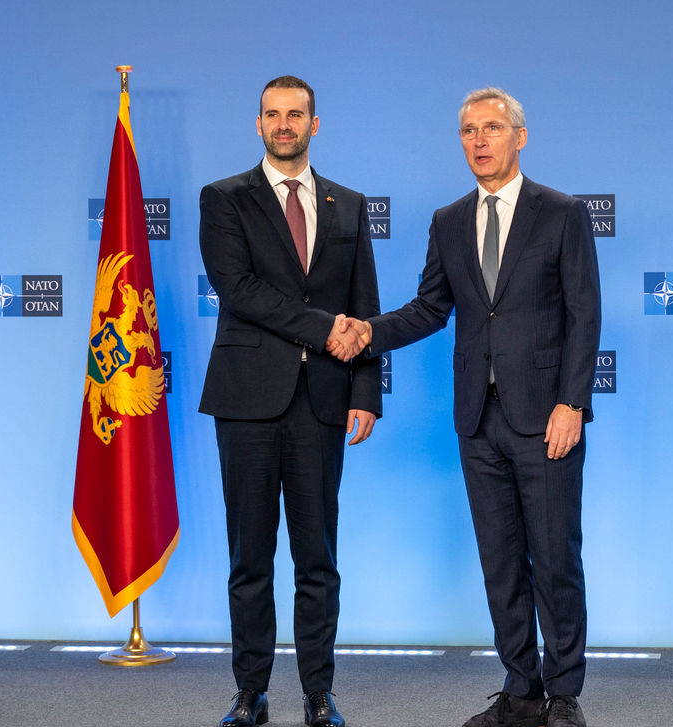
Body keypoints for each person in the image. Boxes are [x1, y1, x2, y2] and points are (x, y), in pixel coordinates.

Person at [338, 87, 600, 727]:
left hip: (546, 418)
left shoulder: (562, 213)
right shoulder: (448, 219)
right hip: (476, 422)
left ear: (519, 136)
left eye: (491, 128)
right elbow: (432, 307)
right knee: (500, 559)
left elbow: (584, 314)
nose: (478, 141)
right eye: (467, 130)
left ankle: (563, 695)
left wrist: (573, 403)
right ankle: (521, 688)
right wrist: (370, 330)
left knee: (555, 558)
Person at [198, 75, 379, 727]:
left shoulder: (350, 204)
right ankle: (250, 692)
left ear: (314, 123)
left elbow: (363, 305)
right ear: (258, 124)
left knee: (317, 559)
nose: (283, 124)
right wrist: (322, 327)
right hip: (246, 402)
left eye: (295, 114)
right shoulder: (223, 199)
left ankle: (317, 692)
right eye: (272, 114)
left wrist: (366, 389)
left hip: (323, 403)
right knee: (250, 557)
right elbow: (239, 287)